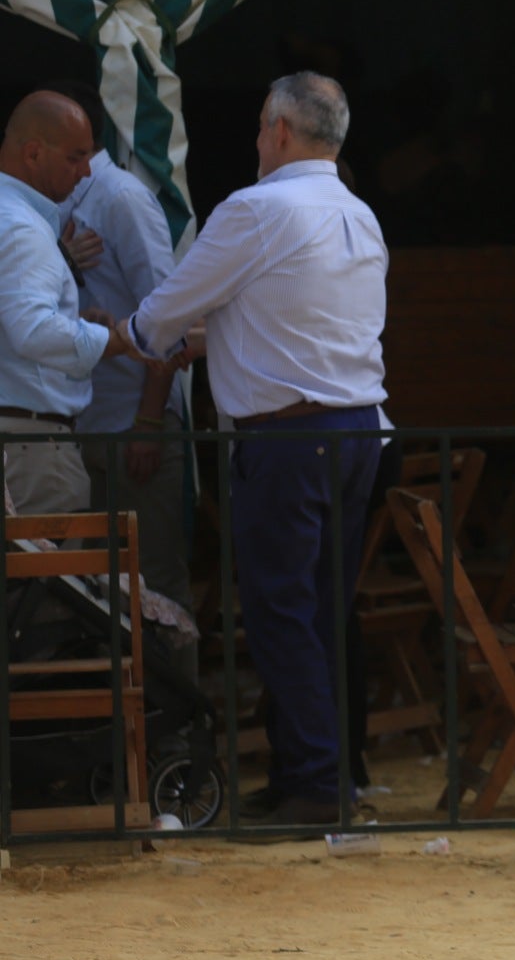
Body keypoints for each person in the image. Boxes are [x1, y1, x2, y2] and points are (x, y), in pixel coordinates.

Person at [117, 71, 387, 829]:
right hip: (356, 427)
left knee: (280, 611)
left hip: (289, 437)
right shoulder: (359, 215)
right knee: (321, 611)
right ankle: (321, 775)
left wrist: (135, 336)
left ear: (277, 132)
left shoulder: (256, 209)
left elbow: (166, 310)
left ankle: (315, 785)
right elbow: (290, 319)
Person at [42, 81, 193, 613]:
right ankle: (121, 700)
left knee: (152, 589)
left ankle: (173, 699)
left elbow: (167, 319)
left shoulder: (121, 198)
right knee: (97, 597)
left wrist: (150, 421)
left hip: (133, 425)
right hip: (92, 426)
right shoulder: (59, 209)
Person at [0, 91, 141, 514]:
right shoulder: (22, 228)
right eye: (76, 157)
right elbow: (34, 331)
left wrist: (74, 319)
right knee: (54, 580)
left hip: (22, 442)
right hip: (33, 448)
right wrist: (114, 339)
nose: (85, 173)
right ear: (32, 153)